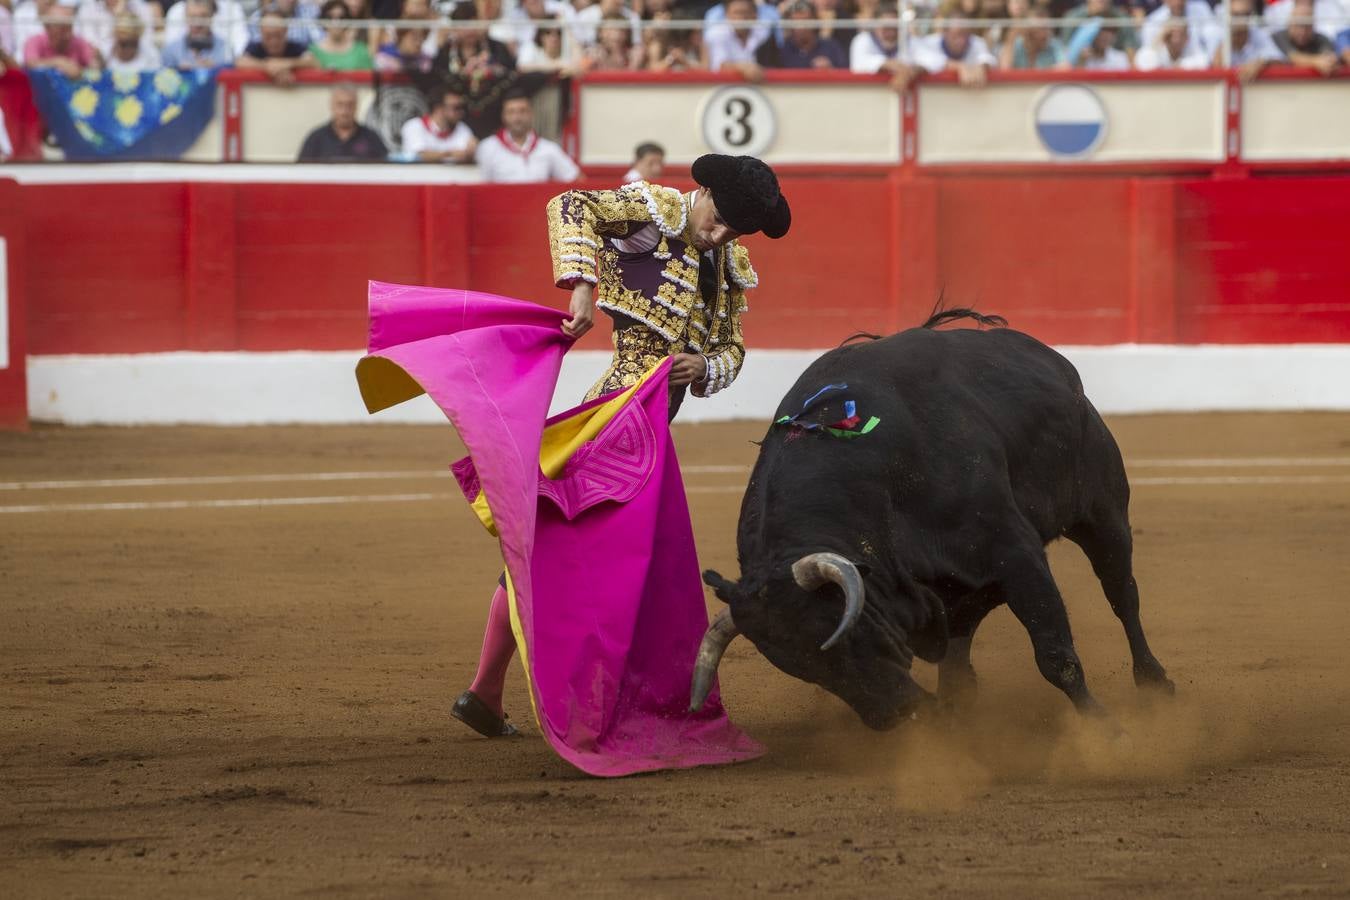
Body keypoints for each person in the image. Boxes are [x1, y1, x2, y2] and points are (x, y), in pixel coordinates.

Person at [450, 153, 792, 738]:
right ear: (702, 189)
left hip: (654, 436)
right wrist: (582, 288)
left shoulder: (730, 263)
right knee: (562, 553)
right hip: (613, 419)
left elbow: (733, 348)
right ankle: (497, 691)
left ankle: (501, 695)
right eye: (721, 219)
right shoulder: (651, 215)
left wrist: (704, 364)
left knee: (589, 559)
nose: (723, 235)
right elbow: (570, 205)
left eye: (737, 230)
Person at [475, 90, 580, 183]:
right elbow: (481, 187)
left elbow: (576, 179)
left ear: (531, 114)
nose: (517, 118)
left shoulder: (549, 149)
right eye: (511, 112)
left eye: (522, 111)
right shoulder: (487, 147)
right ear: (503, 116)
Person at [297, 83, 388, 160]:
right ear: (331, 106)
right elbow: (301, 172)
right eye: (340, 105)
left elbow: (386, 171)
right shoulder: (316, 139)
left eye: (349, 105)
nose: (344, 111)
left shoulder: (371, 138)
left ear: (356, 106)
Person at [757, 0, 848, 68]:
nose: (801, 27)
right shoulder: (780, 51)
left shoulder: (831, 47)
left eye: (806, 21)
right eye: (796, 22)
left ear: (815, 21)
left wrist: (830, 69)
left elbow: (845, 74)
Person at [237, 5, 316, 83]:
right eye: (268, 36)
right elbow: (240, 62)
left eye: (278, 35)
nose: (273, 41)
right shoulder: (255, 47)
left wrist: (287, 64)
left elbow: (313, 61)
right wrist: (267, 67)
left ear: (286, 31)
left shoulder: (296, 47)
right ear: (261, 32)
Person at [399, 85, 477, 163]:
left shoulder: (462, 128)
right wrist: (450, 154)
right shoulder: (414, 125)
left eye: (463, 108)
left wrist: (473, 150)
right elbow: (420, 155)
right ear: (439, 108)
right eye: (456, 108)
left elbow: (471, 150)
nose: (461, 112)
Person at [23, 0, 102, 75]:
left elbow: (95, 66)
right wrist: (57, 62)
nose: (68, 34)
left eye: (70, 27)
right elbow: (30, 64)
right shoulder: (34, 42)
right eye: (62, 29)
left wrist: (94, 61)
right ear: (48, 28)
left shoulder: (79, 42)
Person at [161, 0, 236, 68]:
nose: (197, 24)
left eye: (203, 17)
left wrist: (215, 71)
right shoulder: (171, 51)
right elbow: (161, 80)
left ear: (212, 15)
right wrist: (179, 74)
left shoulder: (226, 50)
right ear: (185, 16)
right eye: (193, 17)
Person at [309, 0, 373, 70]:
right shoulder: (313, 51)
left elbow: (370, 76)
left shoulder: (361, 50)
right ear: (323, 19)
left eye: (341, 17)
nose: (336, 22)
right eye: (330, 17)